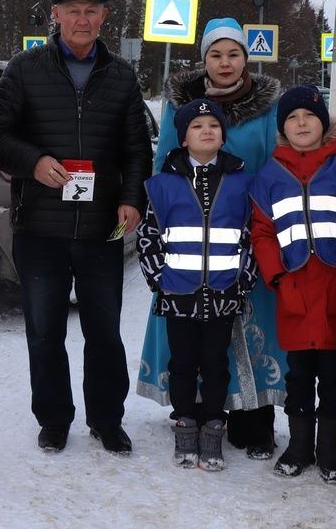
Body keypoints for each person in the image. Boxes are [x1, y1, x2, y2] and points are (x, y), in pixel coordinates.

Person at [0, 0, 151, 455]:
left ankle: (106, 419)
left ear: (104, 18)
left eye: (92, 11)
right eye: (72, 10)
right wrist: (32, 162)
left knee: (104, 331)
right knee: (45, 331)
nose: (82, 19)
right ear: (54, 15)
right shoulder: (25, 68)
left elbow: (136, 148)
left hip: (102, 225)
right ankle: (54, 419)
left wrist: (132, 198)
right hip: (39, 224)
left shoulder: (120, 76)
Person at [135, 17, 287, 459]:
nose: (225, 62)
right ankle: (195, 413)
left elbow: (277, 162)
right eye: (216, 54)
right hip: (190, 238)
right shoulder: (181, 103)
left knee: (252, 321)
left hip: (245, 230)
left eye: (234, 53)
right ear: (204, 59)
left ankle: (253, 417)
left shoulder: (267, 105)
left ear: (246, 57)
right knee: (190, 332)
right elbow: (166, 159)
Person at [249, 85, 336, 483]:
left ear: (324, 122)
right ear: (283, 128)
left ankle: (330, 449)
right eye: (292, 118)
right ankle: (299, 445)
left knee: (335, 379)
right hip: (294, 291)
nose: (302, 123)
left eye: (309, 116)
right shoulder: (270, 174)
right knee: (298, 376)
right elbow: (262, 231)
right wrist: (277, 277)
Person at [138, 98, 256, 471]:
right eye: (197, 126)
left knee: (216, 363)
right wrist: (160, 278)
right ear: (183, 138)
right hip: (178, 294)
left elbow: (252, 235)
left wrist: (244, 278)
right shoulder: (162, 184)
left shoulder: (242, 182)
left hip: (224, 293)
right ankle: (185, 421)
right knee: (183, 362)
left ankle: (213, 424)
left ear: (223, 136)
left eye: (214, 126)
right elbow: (148, 235)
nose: (207, 131)